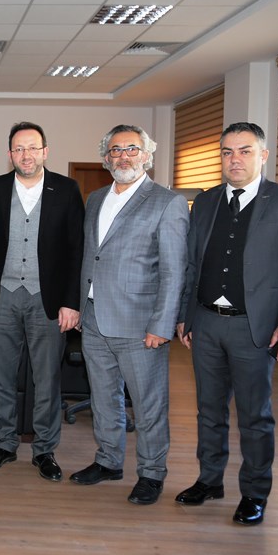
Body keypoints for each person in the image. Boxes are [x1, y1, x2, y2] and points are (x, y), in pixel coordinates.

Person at [175, 122, 278, 526]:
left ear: (263, 155)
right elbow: (191, 264)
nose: (234, 159)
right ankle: (209, 480)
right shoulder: (205, 202)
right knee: (208, 410)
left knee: (255, 416)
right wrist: (185, 315)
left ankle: (255, 493)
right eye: (227, 151)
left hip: (254, 328)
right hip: (206, 323)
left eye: (244, 151)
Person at [70, 124, 188, 505]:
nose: (124, 156)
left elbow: (174, 271)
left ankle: (152, 473)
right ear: (106, 159)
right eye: (116, 150)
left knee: (148, 404)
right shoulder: (95, 199)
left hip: (140, 325)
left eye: (132, 149)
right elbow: (92, 255)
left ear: (147, 155)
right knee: (104, 398)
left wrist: (162, 325)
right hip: (94, 318)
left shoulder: (167, 202)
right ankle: (108, 460)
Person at [0, 122, 84, 480]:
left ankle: (45, 450)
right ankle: (4, 444)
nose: (26, 154)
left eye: (32, 147)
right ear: (10, 154)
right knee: (1, 377)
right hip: (2, 297)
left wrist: (71, 302)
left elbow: (76, 250)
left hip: (48, 301)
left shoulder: (66, 189)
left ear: (45, 151)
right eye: (19, 148)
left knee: (47, 379)